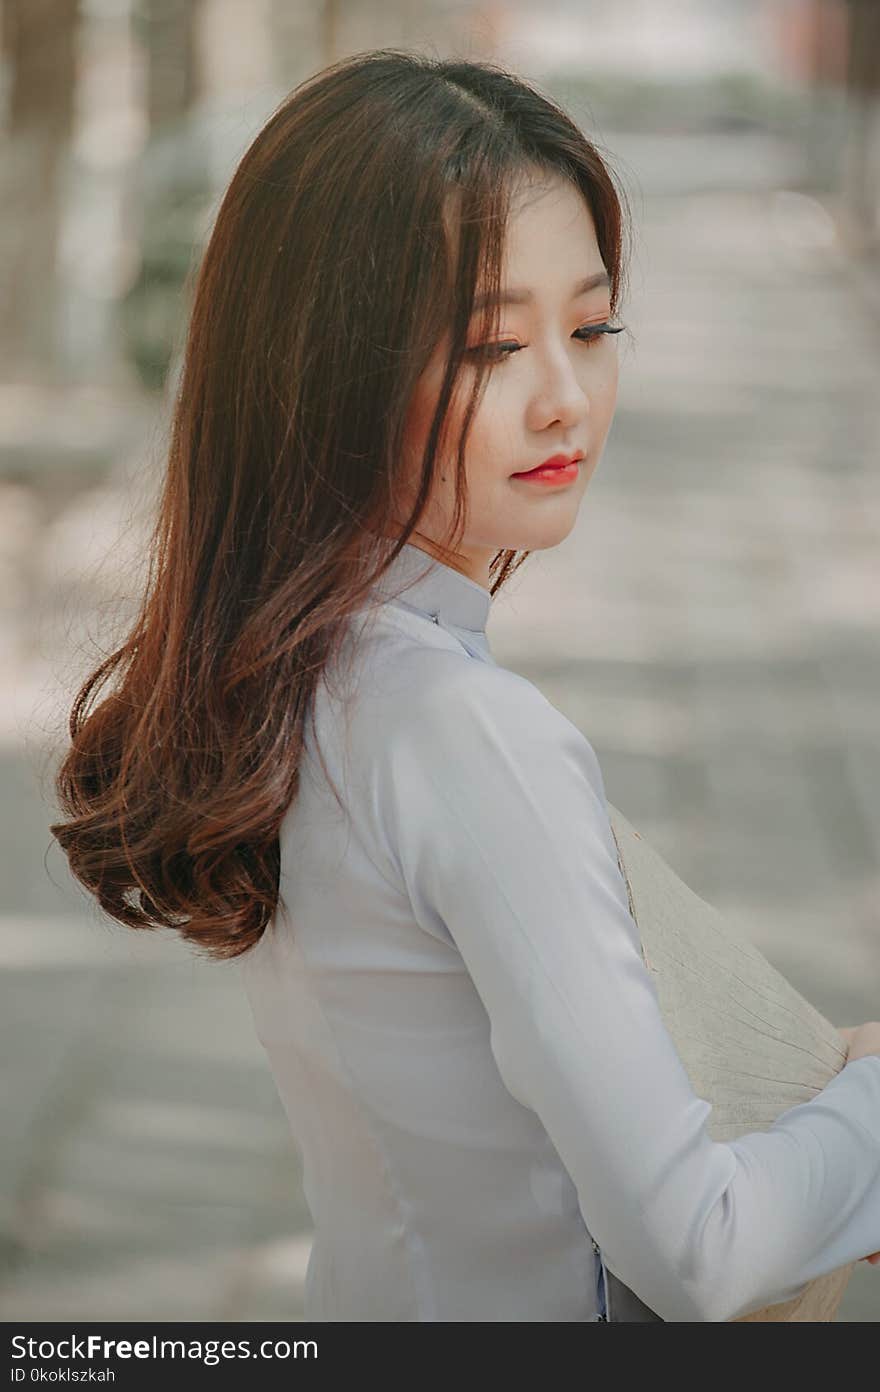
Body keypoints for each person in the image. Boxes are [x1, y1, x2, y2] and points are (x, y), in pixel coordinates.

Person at [49, 50, 880, 1322]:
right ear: (329, 366)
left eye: (592, 327)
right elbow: (698, 1249)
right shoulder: (465, 735)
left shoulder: (300, 683)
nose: (567, 399)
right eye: (494, 343)